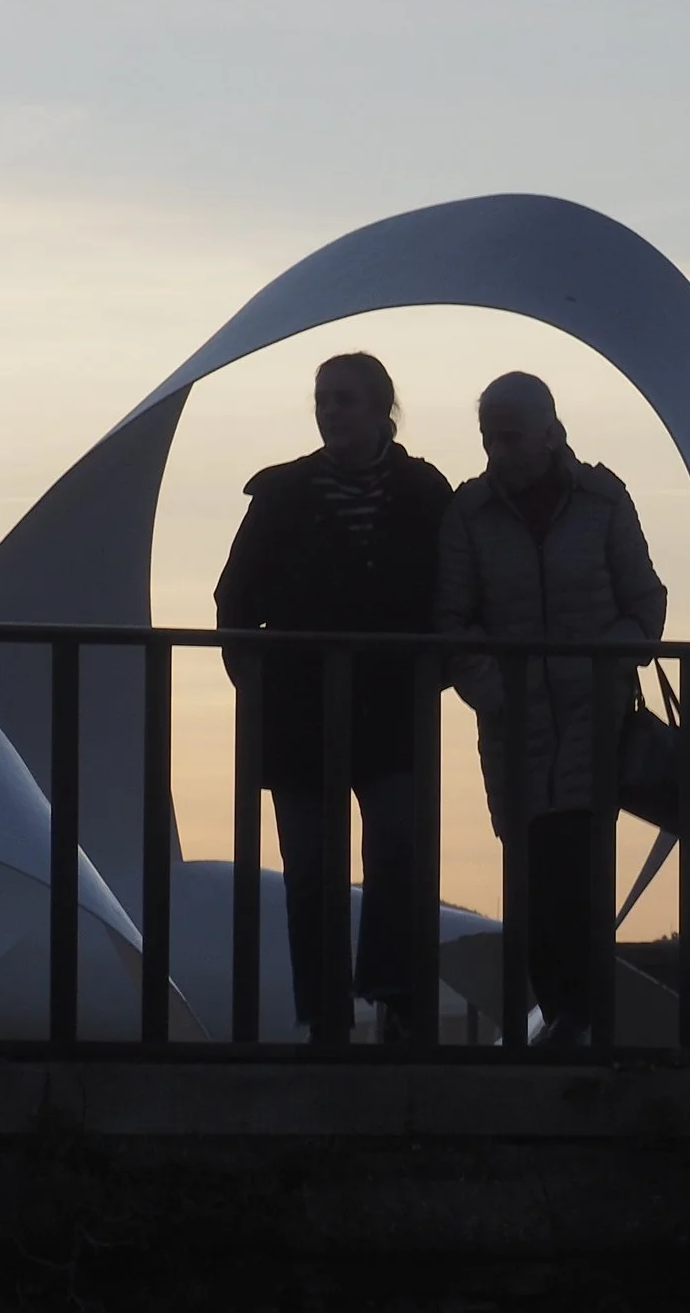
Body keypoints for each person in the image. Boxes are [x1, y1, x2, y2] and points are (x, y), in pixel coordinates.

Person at [214, 352, 452, 1041]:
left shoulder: (424, 493)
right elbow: (235, 599)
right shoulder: (283, 494)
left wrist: (428, 673)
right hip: (298, 715)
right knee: (313, 871)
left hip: (393, 712)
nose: (330, 411)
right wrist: (255, 681)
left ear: (383, 408)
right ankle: (325, 1015)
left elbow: (452, 592)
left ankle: (395, 997)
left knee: (401, 852)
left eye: (345, 399)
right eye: (323, 398)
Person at [436, 371, 667, 1047]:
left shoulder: (603, 500)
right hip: (514, 728)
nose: (498, 452)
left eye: (509, 437)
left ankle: (580, 1018)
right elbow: (452, 623)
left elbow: (644, 603)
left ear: (549, 432)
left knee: (583, 868)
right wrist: (496, 687)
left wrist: (606, 666)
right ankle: (554, 1015)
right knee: (530, 868)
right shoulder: (469, 513)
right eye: (488, 438)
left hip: (592, 721)